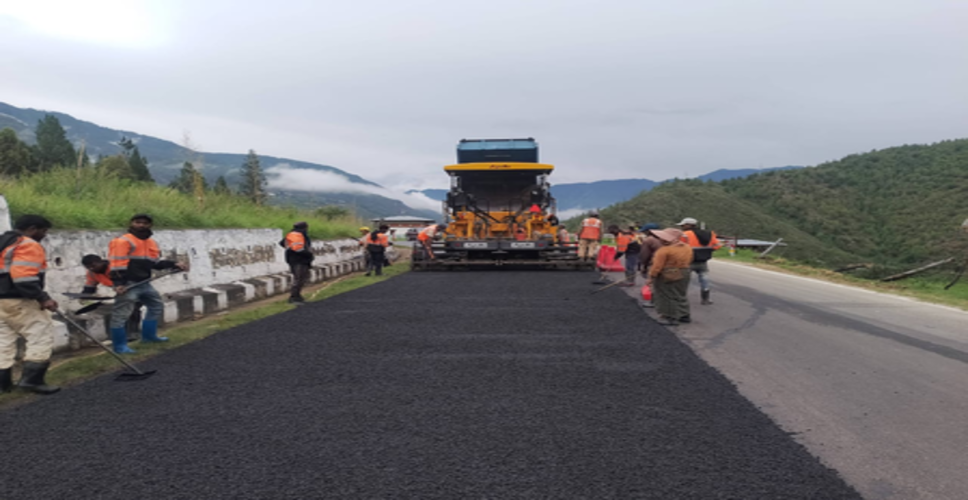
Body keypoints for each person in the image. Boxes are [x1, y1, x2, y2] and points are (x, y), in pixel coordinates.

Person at [108, 214, 190, 353]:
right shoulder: (122, 241)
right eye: (137, 222)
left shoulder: (151, 242)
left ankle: (149, 337)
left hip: (144, 283)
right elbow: (117, 264)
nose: (141, 225)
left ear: (150, 225)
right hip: (128, 284)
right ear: (131, 223)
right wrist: (119, 283)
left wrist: (174, 264)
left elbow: (155, 263)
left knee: (156, 305)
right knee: (121, 315)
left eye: (145, 223)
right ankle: (120, 346)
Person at [0, 215, 60, 394]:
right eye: (43, 231)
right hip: (20, 299)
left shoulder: (3, 242)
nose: (44, 235)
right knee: (40, 334)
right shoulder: (27, 244)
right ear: (33, 229)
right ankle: (32, 380)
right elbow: (24, 278)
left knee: (3, 341)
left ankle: (3, 385)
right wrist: (43, 298)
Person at [646, 228, 694, 326]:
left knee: (667, 295)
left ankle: (670, 317)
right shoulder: (687, 247)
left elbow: (657, 267)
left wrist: (651, 277)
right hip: (684, 272)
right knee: (680, 294)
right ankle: (684, 315)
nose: (659, 239)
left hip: (668, 273)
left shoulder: (664, 250)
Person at [677, 217, 722, 305]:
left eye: (683, 225)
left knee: (683, 280)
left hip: (688, 261)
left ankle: (681, 299)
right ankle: (705, 299)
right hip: (702, 261)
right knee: (704, 279)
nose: (682, 227)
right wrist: (708, 250)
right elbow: (718, 245)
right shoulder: (709, 233)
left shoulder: (685, 234)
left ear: (688, 225)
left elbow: (678, 246)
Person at [283, 221, 314, 304]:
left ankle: (298, 296)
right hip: (299, 260)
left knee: (301, 278)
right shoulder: (297, 234)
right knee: (299, 279)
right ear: (304, 227)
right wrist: (309, 255)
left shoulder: (292, 234)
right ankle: (293, 298)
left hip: (295, 259)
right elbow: (298, 249)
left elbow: (283, 243)